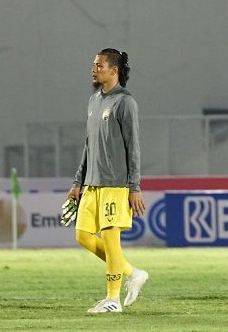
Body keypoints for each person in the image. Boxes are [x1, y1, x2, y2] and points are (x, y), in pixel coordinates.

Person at [65, 48, 149, 313]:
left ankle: (112, 299)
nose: (94, 69)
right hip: (92, 183)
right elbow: (89, 146)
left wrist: (134, 187)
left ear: (113, 70)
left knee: (111, 240)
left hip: (115, 184)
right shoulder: (93, 101)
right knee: (83, 236)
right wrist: (78, 182)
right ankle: (132, 273)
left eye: (99, 65)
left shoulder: (125, 102)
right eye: (93, 64)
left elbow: (133, 147)